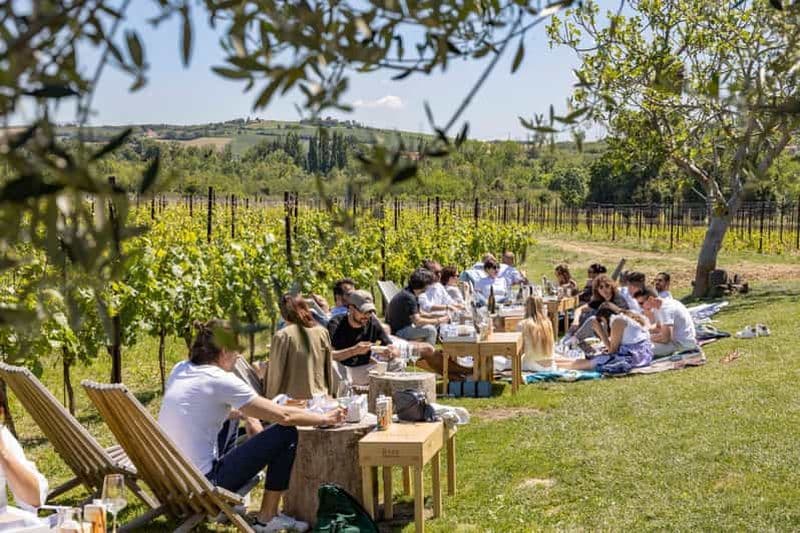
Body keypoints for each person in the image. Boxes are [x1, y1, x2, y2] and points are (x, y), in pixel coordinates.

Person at [159, 320, 344, 533]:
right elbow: (284, 416)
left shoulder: (181, 369)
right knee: (285, 433)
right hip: (204, 484)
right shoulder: (221, 380)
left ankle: (235, 506)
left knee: (233, 417)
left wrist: (249, 413)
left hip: (171, 479)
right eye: (237, 350)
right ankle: (267, 517)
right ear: (225, 350)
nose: (239, 356)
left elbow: (203, 409)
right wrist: (324, 418)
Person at [327, 290, 404, 386]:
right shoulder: (336, 323)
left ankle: (395, 395)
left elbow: (391, 346)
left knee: (397, 363)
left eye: (370, 311)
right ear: (351, 308)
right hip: (344, 370)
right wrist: (354, 351)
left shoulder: (372, 322)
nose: (367, 316)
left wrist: (392, 352)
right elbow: (329, 355)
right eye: (363, 311)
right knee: (332, 365)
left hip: (366, 369)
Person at [266, 294, 333, 399]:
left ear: (282, 313)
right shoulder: (322, 332)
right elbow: (328, 367)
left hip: (294, 403)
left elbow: (276, 374)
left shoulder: (283, 336)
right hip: (320, 397)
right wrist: (330, 393)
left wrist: (269, 398)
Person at [561, 304, 653, 372]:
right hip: (640, 353)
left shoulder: (617, 321)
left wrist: (600, 331)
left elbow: (612, 350)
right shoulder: (624, 316)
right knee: (597, 357)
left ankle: (561, 366)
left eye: (602, 322)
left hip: (634, 357)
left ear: (604, 318)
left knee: (597, 361)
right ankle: (560, 363)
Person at [387, 268, 449, 346]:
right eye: (428, 285)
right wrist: (438, 320)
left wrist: (440, 315)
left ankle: (423, 354)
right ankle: (429, 354)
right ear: (423, 285)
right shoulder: (409, 297)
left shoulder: (409, 292)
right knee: (431, 330)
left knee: (429, 327)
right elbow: (417, 321)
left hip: (403, 328)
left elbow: (420, 313)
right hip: (399, 332)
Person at [635, 287, 698, 357]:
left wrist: (647, 338)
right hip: (683, 341)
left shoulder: (665, 310)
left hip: (681, 345)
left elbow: (666, 339)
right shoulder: (663, 304)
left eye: (641, 303)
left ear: (650, 299)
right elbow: (658, 326)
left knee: (640, 349)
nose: (640, 306)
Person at [520, 296, 555, 371]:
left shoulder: (523, 324)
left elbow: (519, 350)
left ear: (526, 307)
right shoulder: (548, 323)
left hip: (532, 365)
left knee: (498, 360)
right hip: (551, 366)